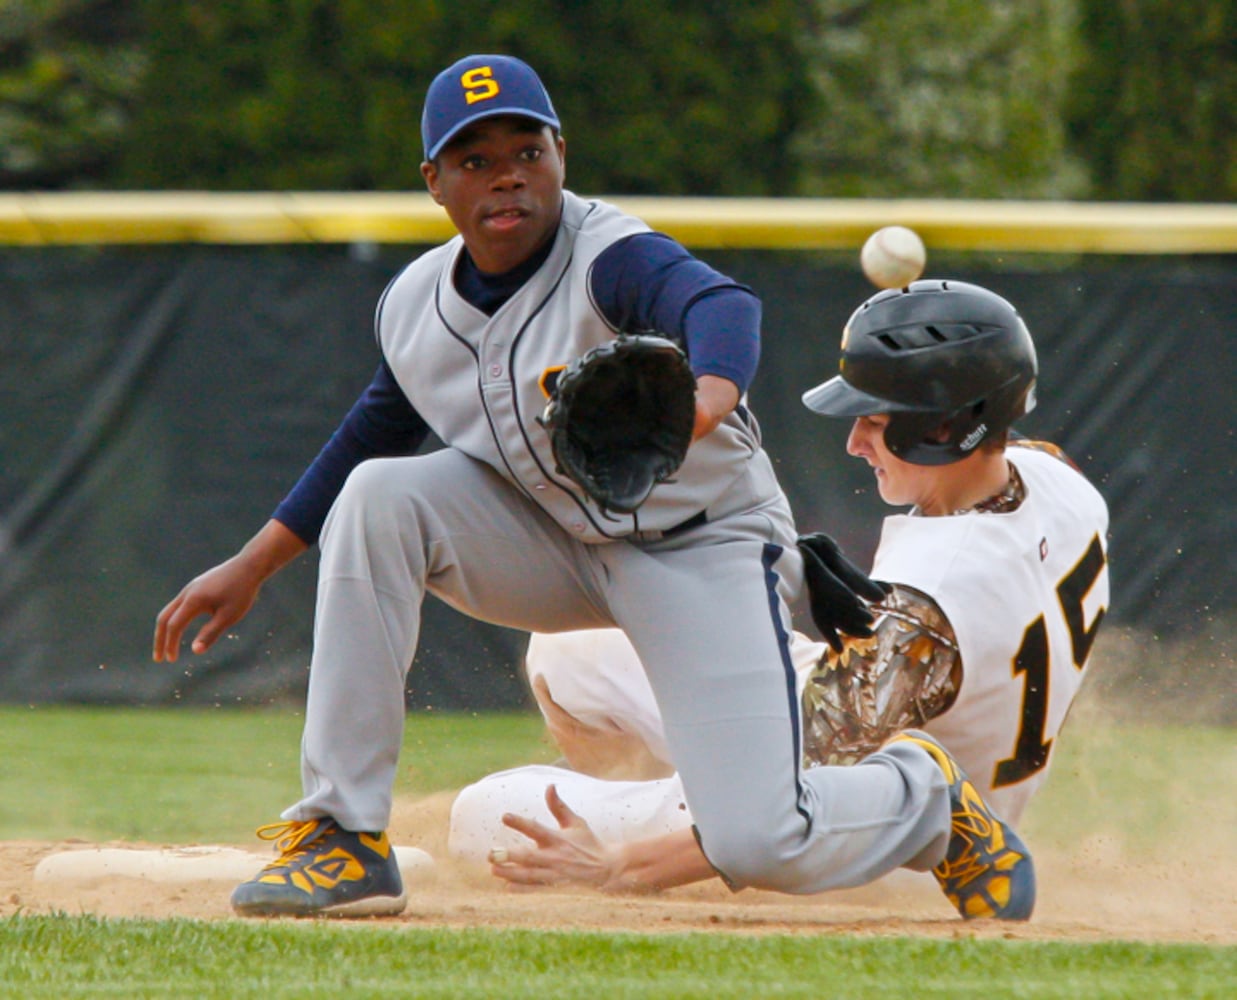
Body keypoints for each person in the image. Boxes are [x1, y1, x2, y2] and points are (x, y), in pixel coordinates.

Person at [151, 53, 890, 918]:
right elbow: (372, 432)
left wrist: (703, 403)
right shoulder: (415, 303)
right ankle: (343, 836)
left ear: (560, 157)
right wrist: (253, 562)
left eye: (525, 152)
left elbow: (723, 307)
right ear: (434, 182)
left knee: (755, 838)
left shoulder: (609, 256)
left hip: (695, 544)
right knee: (380, 495)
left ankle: (920, 794)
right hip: (551, 544)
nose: (506, 176)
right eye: (474, 161)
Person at [451, 279, 1111, 918]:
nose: (855, 443)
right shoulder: (1055, 478)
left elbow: (777, 807)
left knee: (480, 821)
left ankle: (650, 820)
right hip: (885, 711)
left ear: (941, 431)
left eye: (875, 422)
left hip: (877, 832)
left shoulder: (923, 607)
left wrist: (619, 864)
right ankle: (636, 792)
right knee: (571, 645)